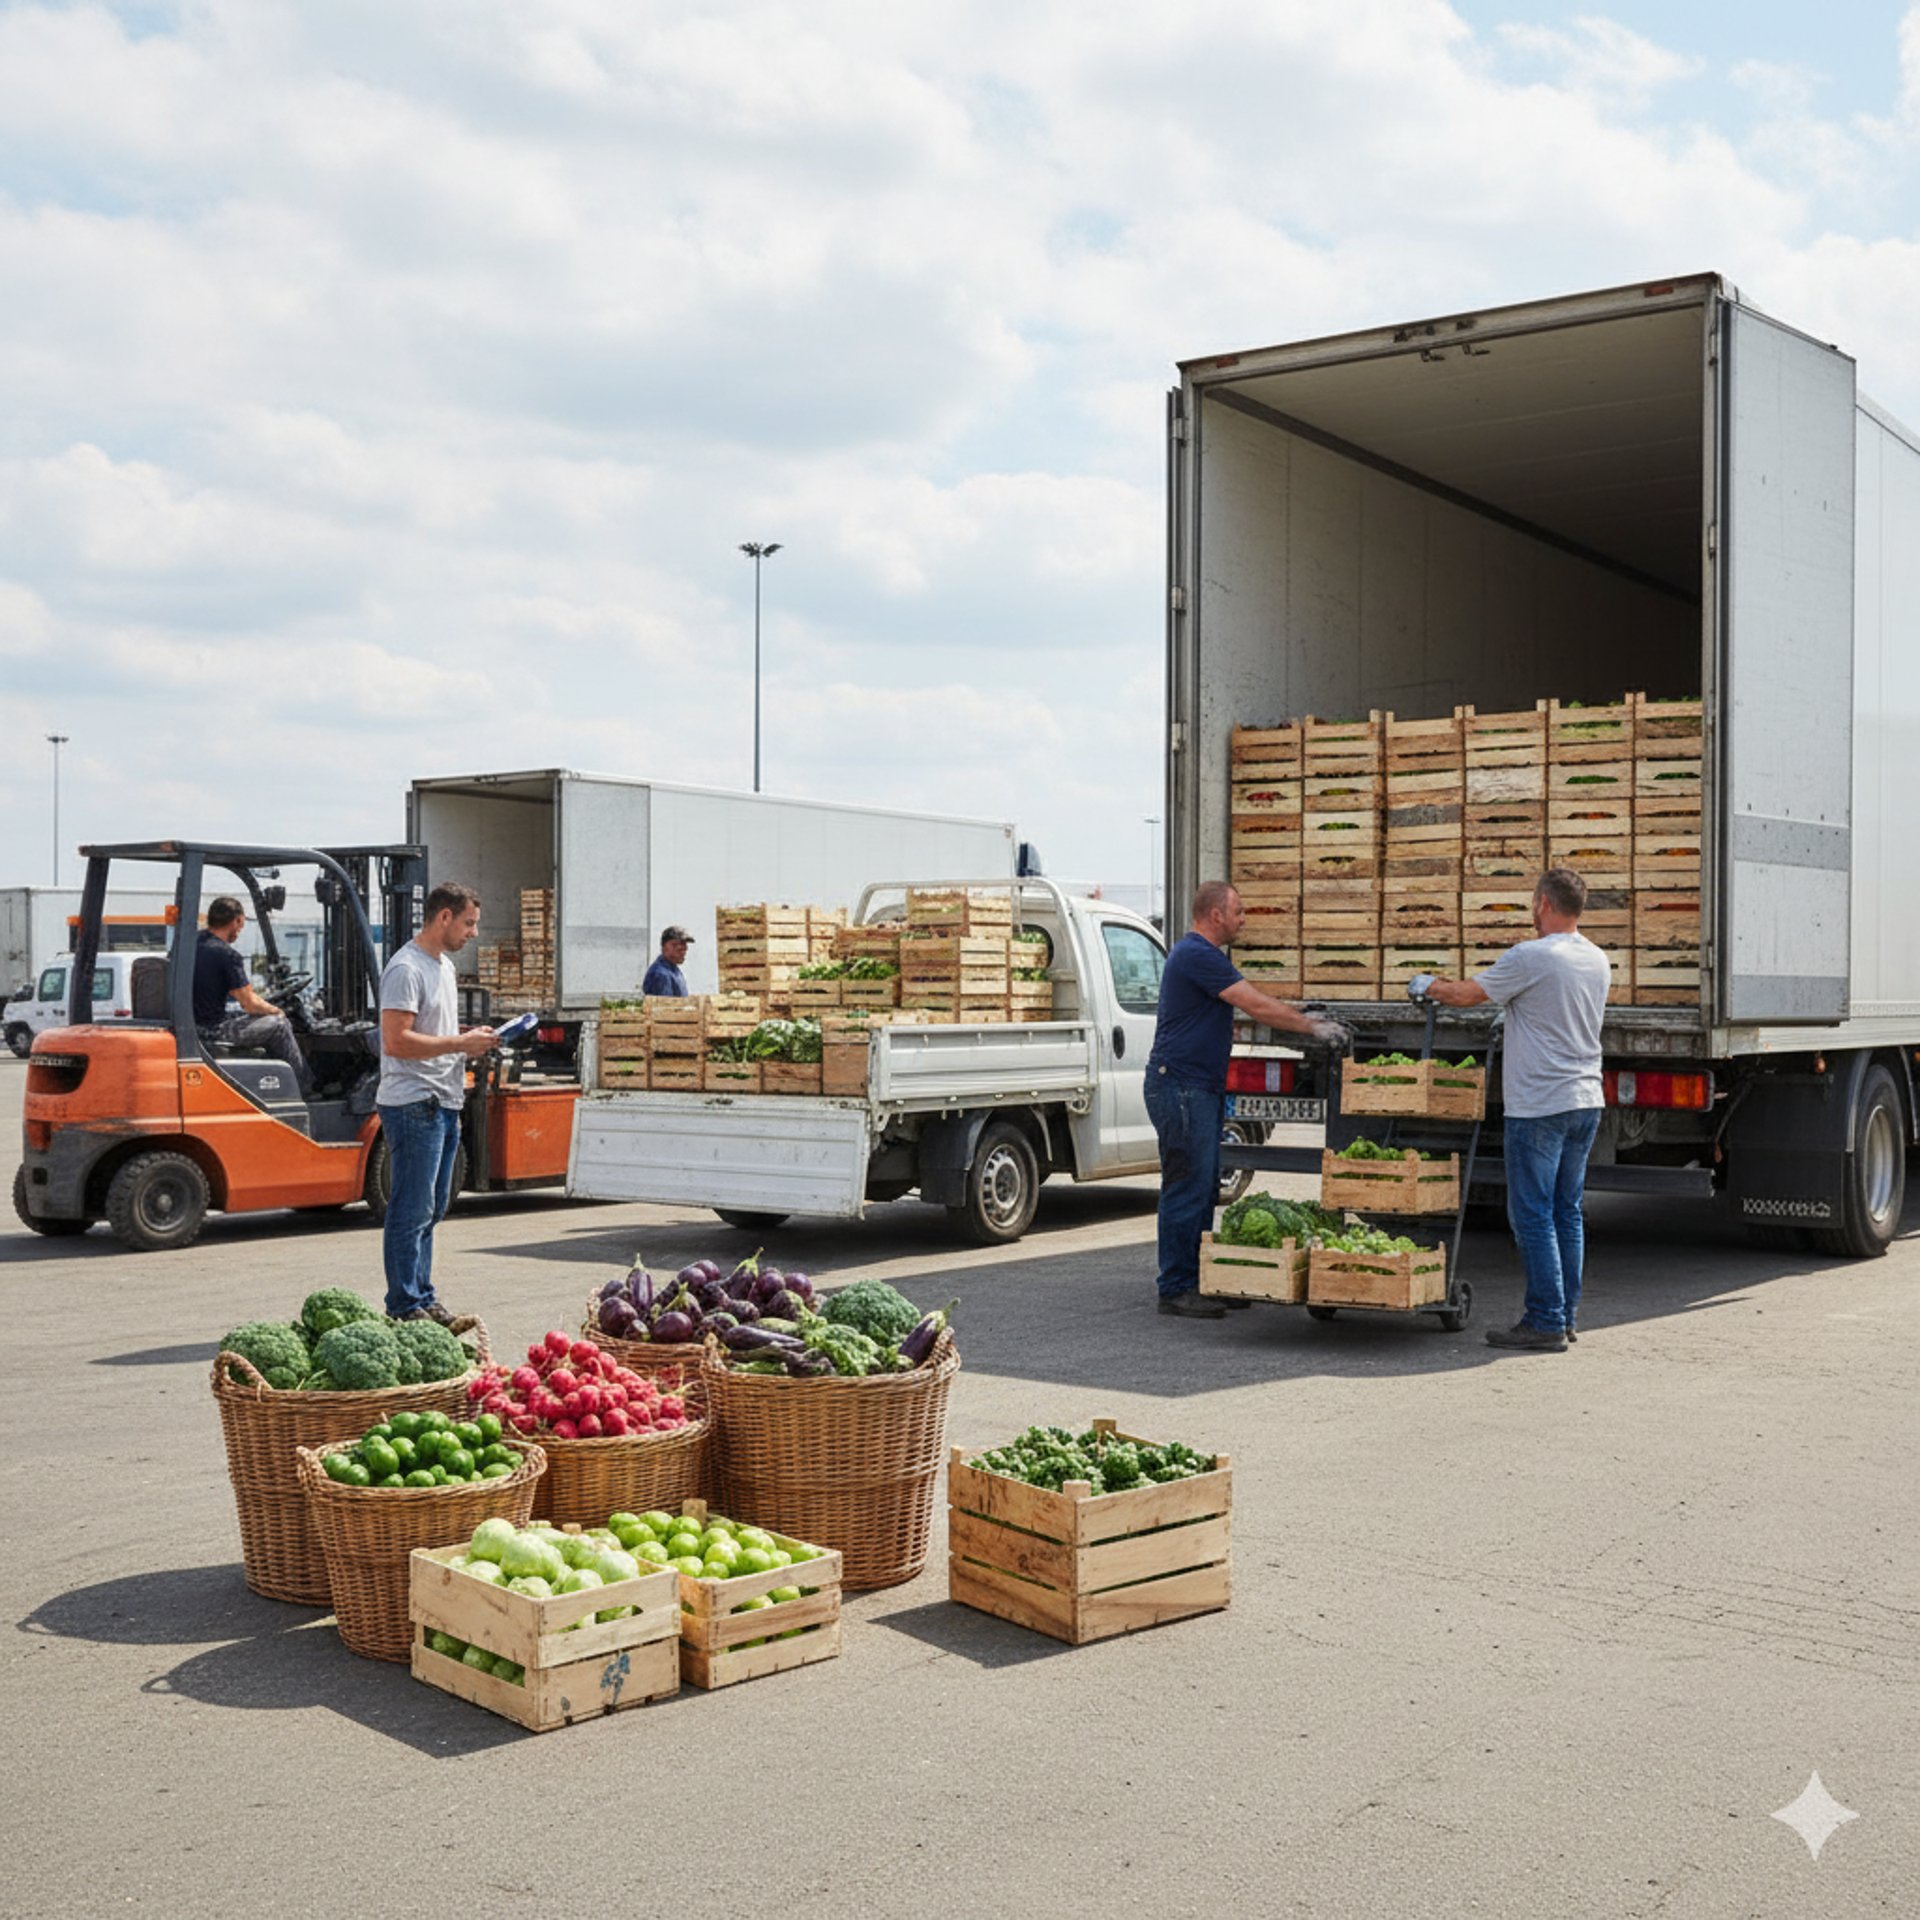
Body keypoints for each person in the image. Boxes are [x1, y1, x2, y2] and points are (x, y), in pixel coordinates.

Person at [1420, 866, 1610, 1353]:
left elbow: (1466, 995)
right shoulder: (1597, 959)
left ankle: (1544, 1320)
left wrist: (1427, 985)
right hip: (1585, 1100)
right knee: (1567, 1212)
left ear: (1544, 903)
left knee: (1532, 1214)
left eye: (1533, 902)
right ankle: (1565, 1316)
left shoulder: (1532, 956)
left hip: (1540, 1106)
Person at [1148, 880, 1346, 1319]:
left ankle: (1199, 1279)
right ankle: (1176, 1287)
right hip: (1181, 1088)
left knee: (1203, 1186)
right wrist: (1310, 1026)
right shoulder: (1197, 954)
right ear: (1216, 914)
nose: (1243, 920)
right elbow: (1254, 1004)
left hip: (1195, 1087)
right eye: (1237, 912)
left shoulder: (1202, 957)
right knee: (1186, 1185)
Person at [376, 882, 499, 1324]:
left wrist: (470, 1040)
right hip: (415, 1102)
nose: (473, 933)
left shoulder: (442, 967)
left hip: (444, 1100)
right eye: (469, 923)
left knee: (431, 1209)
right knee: (411, 1208)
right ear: (443, 917)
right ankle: (404, 1305)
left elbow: (433, 1030)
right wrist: (459, 1042)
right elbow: (396, 1041)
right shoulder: (406, 968)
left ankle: (423, 1295)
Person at [192, 896, 311, 1094]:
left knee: (246, 1017)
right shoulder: (227, 955)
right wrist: (276, 1010)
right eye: (241, 925)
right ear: (237, 920)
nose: (240, 931)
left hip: (193, 1025)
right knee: (280, 1025)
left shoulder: (191, 944)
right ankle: (304, 1087)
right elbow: (249, 1004)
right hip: (212, 1029)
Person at [642, 926, 694, 997]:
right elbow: (665, 1006)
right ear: (666, 946)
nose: (684, 951)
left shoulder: (673, 970)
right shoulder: (661, 974)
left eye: (685, 947)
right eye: (680, 947)